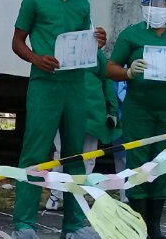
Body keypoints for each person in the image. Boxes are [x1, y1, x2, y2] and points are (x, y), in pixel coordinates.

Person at [11, 0, 107, 239]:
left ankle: (75, 225)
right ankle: (23, 223)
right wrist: (36, 58)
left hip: (76, 84)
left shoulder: (82, 3)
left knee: (76, 155)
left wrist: (99, 39)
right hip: (44, 84)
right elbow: (17, 42)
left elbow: (85, 40)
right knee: (36, 152)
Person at [107, 0, 166, 239]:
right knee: (137, 161)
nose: (158, 10)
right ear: (143, 6)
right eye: (153, 5)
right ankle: (138, 225)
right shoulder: (131, 35)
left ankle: (154, 226)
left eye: (163, 6)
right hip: (138, 107)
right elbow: (111, 68)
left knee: (164, 161)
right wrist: (128, 73)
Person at [44, 49, 121, 210]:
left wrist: (112, 110)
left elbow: (106, 81)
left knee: (88, 156)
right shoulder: (60, 48)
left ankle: (78, 195)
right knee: (61, 154)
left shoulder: (98, 55)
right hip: (65, 108)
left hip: (93, 112)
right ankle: (56, 194)